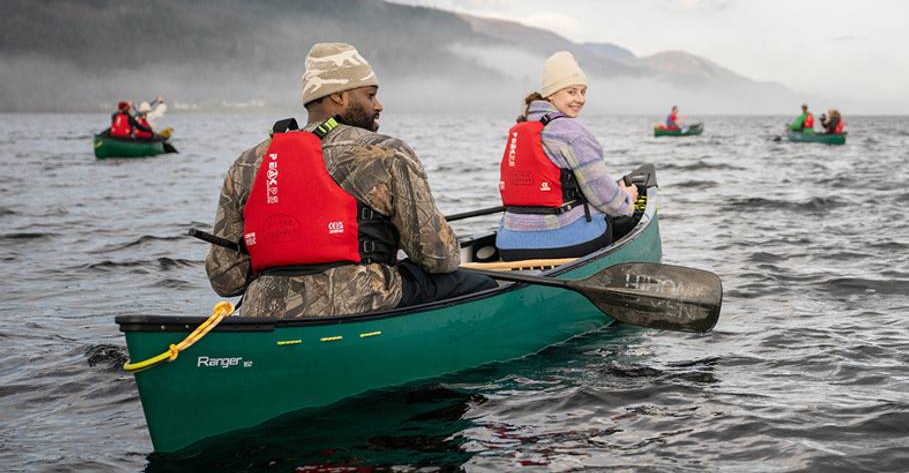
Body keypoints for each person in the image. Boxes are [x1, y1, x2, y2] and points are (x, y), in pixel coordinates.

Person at [206, 42, 495, 319]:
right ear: (339, 97)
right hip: (360, 301)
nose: (379, 105)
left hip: (261, 310)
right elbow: (438, 256)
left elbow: (226, 279)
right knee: (480, 286)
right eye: (370, 95)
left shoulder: (245, 164)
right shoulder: (387, 152)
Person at [496, 51, 639, 261]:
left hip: (509, 246)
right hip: (564, 244)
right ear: (551, 94)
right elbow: (608, 200)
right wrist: (628, 199)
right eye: (572, 92)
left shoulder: (522, 127)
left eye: (583, 92)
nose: (580, 99)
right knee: (621, 218)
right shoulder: (571, 132)